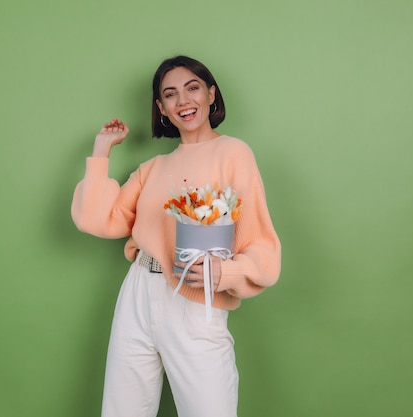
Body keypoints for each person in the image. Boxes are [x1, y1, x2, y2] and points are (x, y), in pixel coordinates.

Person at [71, 55, 281, 417]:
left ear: (211, 95)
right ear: (161, 108)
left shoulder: (233, 153)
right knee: (123, 409)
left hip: (196, 296)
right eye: (170, 95)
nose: (183, 101)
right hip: (138, 291)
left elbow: (261, 244)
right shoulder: (153, 168)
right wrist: (101, 151)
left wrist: (224, 274)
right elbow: (98, 219)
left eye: (193, 88)